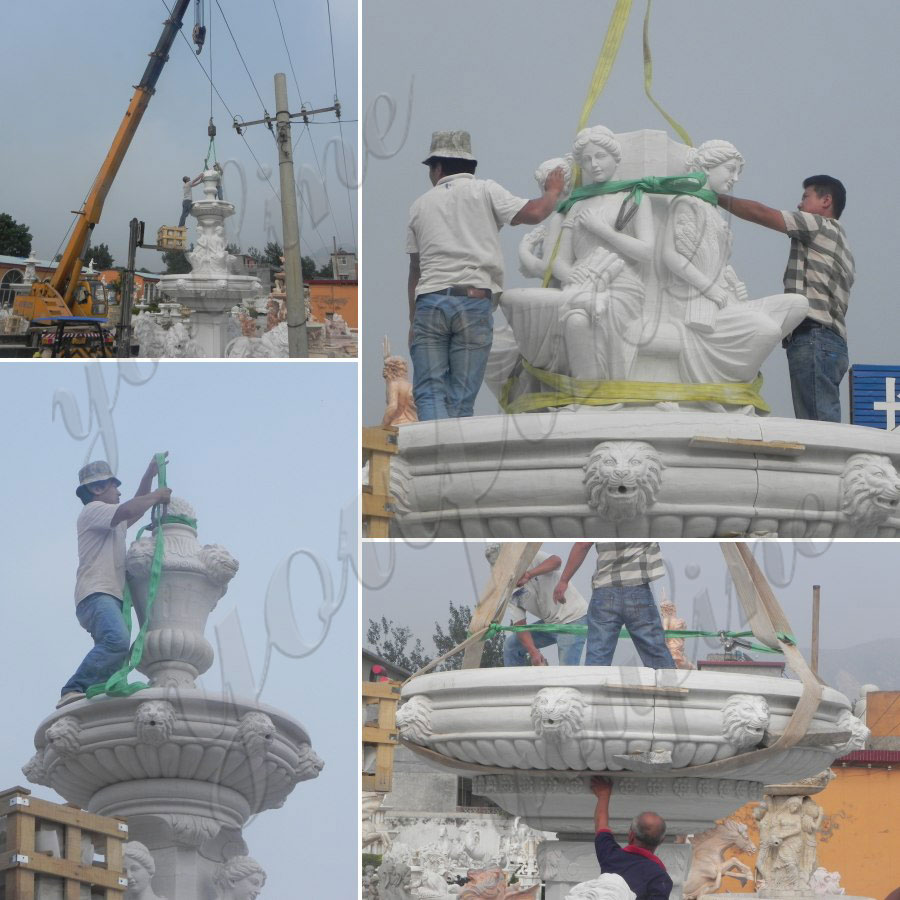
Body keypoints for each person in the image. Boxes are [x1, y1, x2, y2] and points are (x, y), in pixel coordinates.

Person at [406, 130, 564, 420]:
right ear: (471, 166)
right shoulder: (485, 190)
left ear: (438, 168)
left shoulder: (419, 206)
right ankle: (452, 455)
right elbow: (536, 213)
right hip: (473, 301)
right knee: (461, 395)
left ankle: (433, 457)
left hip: (430, 304)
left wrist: (413, 321)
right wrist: (553, 190)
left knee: (429, 390)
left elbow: (415, 270)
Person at [717, 175, 854, 422]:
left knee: (817, 427)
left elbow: (761, 213)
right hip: (831, 342)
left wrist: (715, 197)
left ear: (826, 201)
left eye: (805, 197)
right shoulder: (842, 244)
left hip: (813, 336)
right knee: (821, 418)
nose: (800, 204)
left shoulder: (819, 225)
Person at [58, 456, 172, 708]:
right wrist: (156, 495)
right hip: (97, 593)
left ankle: (95, 699)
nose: (119, 492)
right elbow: (130, 508)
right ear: (97, 489)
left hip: (108, 595)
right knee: (116, 641)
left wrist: (148, 477)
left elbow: (134, 509)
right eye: (114, 486)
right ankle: (74, 688)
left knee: (116, 653)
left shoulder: (111, 521)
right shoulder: (93, 511)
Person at [553, 543, 674, 668]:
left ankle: (595, 686)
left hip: (604, 591)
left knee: (597, 657)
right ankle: (669, 685)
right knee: (656, 653)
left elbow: (583, 545)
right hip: (637, 588)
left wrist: (563, 581)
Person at [485, 543, 588, 666]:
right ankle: (519, 684)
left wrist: (529, 575)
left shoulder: (531, 558)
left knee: (566, 672)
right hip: (550, 624)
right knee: (511, 646)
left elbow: (556, 561)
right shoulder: (508, 588)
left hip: (573, 619)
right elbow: (520, 625)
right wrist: (533, 652)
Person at [590, 776, 673, 900]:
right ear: (661, 840)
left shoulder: (612, 857)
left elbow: (601, 825)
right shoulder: (661, 878)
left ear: (631, 835)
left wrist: (603, 794)